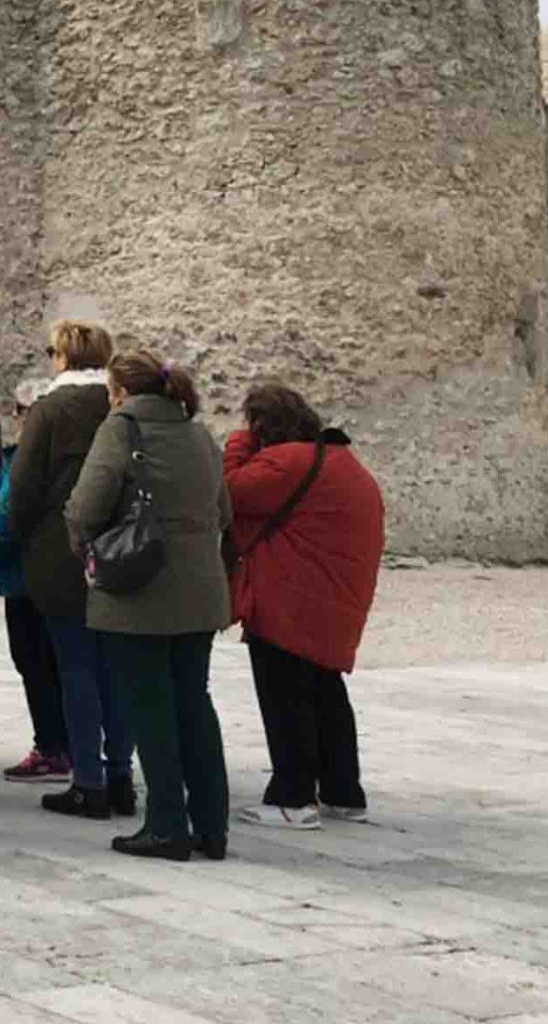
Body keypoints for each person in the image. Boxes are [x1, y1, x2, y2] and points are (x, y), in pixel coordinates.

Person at [65, 350, 232, 860]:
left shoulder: (119, 430)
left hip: (139, 588)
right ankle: (211, 825)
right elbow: (223, 511)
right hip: (200, 588)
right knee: (194, 702)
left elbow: (86, 507)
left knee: (149, 707)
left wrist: (86, 549)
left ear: (119, 392)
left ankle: (166, 824)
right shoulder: (199, 435)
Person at [225, 383, 385, 831]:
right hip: (333, 601)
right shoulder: (343, 463)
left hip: (289, 601)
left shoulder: (286, 462)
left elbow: (229, 491)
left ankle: (292, 798)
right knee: (326, 695)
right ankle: (342, 792)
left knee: (286, 698)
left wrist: (237, 443)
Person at [6, 319, 133, 819]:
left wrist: (21, 537)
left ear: (60, 357)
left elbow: (22, 488)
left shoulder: (50, 409)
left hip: (61, 553)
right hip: (122, 552)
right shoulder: (121, 407)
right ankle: (120, 774)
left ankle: (88, 781)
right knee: (116, 671)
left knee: (76, 669)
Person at [0, 399, 70, 785]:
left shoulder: (25, 459)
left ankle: (51, 747)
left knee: (34, 663)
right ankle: (72, 744)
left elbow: (8, 512)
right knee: (66, 665)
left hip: (25, 575)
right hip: (67, 577)